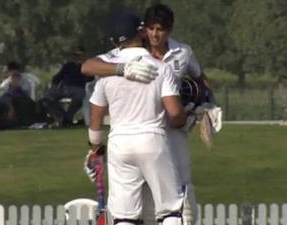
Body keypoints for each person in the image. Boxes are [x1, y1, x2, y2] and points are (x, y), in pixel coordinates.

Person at [81, 4, 214, 225]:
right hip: (153, 139)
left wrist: (96, 148)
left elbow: (96, 115)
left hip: (119, 143)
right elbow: (175, 114)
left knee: (125, 216)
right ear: (142, 32)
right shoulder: (161, 69)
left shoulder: (105, 71)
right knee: (171, 210)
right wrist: (189, 116)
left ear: (115, 41)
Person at [40, 48, 94, 127]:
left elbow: (90, 80)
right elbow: (58, 77)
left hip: (78, 88)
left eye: (80, 56)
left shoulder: (87, 67)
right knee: (46, 99)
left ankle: (68, 118)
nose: (77, 57)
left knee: (79, 96)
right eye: (76, 56)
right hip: (64, 88)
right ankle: (62, 116)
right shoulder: (68, 65)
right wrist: (54, 85)